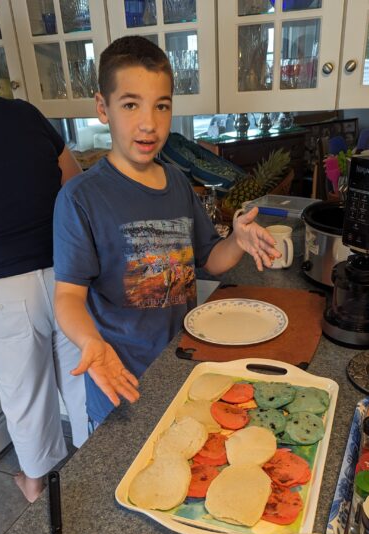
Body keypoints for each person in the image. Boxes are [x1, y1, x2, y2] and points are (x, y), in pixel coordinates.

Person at [53, 36, 280, 428]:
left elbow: (210, 259)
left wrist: (236, 241)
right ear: (102, 108)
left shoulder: (176, 182)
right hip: (120, 384)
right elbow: (68, 297)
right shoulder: (81, 198)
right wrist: (91, 342)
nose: (149, 123)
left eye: (162, 106)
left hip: (182, 370)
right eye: (130, 104)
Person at [0, 48, 89, 502]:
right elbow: (73, 182)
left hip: (3, 287)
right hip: (65, 274)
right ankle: (98, 465)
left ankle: (35, 485)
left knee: (25, 395)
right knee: (81, 381)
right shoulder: (24, 113)